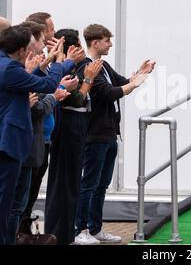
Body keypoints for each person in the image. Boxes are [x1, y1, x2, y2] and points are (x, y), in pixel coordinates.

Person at [74, 24, 155, 244]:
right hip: (95, 135)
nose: (110, 44)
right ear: (95, 42)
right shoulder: (86, 67)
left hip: (109, 134)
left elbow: (123, 82)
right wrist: (135, 83)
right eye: (107, 40)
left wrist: (140, 73)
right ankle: (79, 229)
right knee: (89, 183)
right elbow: (109, 93)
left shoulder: (104, 65)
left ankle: (96, 228)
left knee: (101, 185)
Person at [0, 25, 70, 245]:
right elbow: (49, 84)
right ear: (21, 51)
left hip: (10, 142)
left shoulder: (7, 65)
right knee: (6, 203)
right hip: (8, 144)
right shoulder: (9, 68)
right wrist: (59, 61)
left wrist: (42, 66)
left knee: (10, 203)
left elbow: (24, 82)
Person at [44, 29, 103, 245]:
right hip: (68, 126)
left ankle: (65, 233)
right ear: (72, 47)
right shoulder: (67, 67)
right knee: (64, 183)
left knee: (70, 182)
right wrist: (89, 77)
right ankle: (60, 234)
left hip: (74, 126)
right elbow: (76, 98)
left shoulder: (68, 65)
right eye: (78, 44)